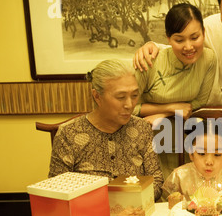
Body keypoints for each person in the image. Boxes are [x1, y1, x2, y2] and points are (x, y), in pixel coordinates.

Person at [49, 59, 164, 201]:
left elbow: (156, 181)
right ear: (97, 96)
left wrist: (131, 204)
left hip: (135, 214)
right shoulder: (69, 133)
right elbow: (57, 190)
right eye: (120, 97)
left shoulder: (142, 128)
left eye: (134, 96)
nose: (129, 105)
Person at [133, 3, 217, 125]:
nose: (188, 47)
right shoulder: (149, 60)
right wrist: (170, 108)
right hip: (144, 125)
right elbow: (128, 108)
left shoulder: (208, 59)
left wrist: (165, 114)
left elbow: (200, 102)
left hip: (182, 123)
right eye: (179, 40)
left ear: (203, 33)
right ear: (168, 38)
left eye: (194, 38)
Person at [163, 119, 222, 201]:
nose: (209, 162)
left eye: (217, 154)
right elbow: (170, 207)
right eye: (201, 153)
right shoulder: (179, 176)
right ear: (191, 153)